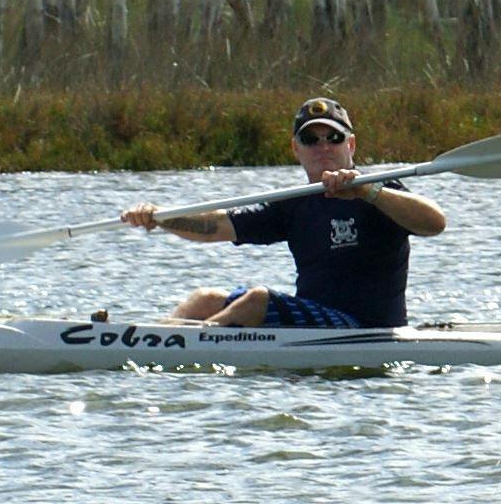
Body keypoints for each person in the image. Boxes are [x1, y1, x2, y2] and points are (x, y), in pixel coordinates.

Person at [119, 96, 446, 329]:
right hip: (314, 318)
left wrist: (366, 192)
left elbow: (434, 223)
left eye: (333, 138)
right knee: (204, 299)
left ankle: (190, 345)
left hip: (367, 326)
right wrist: (158, 217)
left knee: (258, 301)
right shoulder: (295, 203)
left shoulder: (379, 189)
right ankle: (150, 341)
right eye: (310, 139)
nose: (323, 147)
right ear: (295, 149)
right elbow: (216, 226)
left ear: (351, 145)